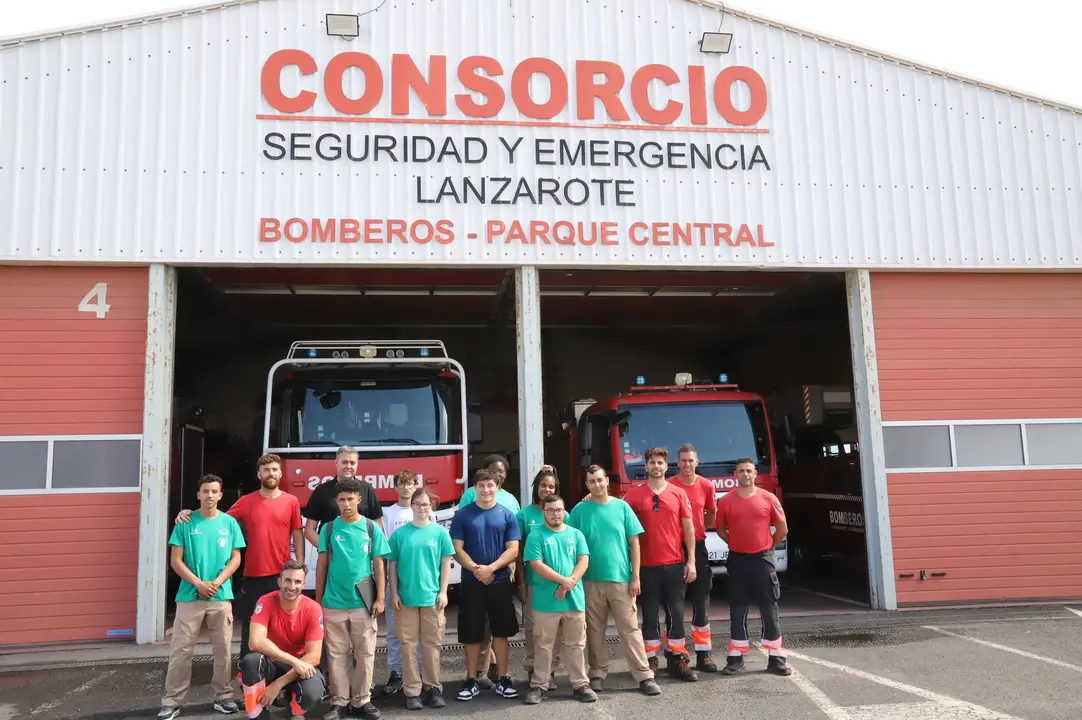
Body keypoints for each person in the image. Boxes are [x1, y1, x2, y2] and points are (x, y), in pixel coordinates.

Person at [176, 453, 304, 659]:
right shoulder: (246, 501)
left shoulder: (291, 502)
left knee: (283, 623)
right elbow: (217, 520)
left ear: (280, 473)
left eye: (274, 470)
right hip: (254, 575)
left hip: (283, 575)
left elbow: (297, 534)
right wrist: (189, 513)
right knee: (252, 624)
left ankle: (280, 667)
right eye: (266, 470)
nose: (270, 473)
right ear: (258, 474)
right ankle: (247, 671)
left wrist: (300, 566)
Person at [567, 465, 661, 696]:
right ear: (587, 484)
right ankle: (597, 672)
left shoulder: (622, 507)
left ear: (607, 481)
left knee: (630, 629)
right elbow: (570, 544)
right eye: (592, 481)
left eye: (600, 480)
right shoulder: (579, 510)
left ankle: (643, 675)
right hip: (589, 581)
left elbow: (634, 544)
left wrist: (635, 576)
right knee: (594, 631)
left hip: (621, 579)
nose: (597, 485)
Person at [159, 474, 246, 720]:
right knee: (181, 650)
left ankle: (223, 697)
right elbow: (175, 560)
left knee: (223, 650)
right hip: (189, 596)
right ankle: (172, 701)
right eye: (205, 491)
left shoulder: (229, 523)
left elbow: (236, 558)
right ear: (198, 495)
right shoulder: (185, 522)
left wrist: (216, 583)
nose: (209, 495)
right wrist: (198, 583)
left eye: (214, 491)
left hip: (220, 595)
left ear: (220, 495)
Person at [316, 478, 390, 720]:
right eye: (342, 499)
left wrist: (380, 597)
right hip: (333, 603)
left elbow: (379, 564)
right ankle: (338, 702)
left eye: (351, 499)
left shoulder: (371, 528)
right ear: (335, 502)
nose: (346, 504)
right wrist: (318, 601)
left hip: (363, 603)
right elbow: (322, 564)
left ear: (359, 499)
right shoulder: (327, 529)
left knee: (365, 654)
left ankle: (362, 701)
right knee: (336, 656)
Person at [623, 447, 698, 682]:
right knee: (650, 613)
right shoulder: (633, 496)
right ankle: (650, 660)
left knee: (676, 612)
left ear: (667, 467)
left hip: (674, 563)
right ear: (645, 467)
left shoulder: (678, 493)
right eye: (652, 463)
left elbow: (688, 529)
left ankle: (678, 659)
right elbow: (618, 518)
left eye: (660, 463)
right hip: (645, 566)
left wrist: (692, 561)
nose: (656, 466)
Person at [449, 468, 521, 701]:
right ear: (475, 488)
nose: (486, 489)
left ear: (497, 488)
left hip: (499, 582)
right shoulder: (463, 515)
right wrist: (477, 570)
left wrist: (491, 568)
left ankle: (503, 677)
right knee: (472, 634)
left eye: (490, 485)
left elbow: (513, 549)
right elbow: (457, 549)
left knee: (501, 633)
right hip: (472, 583)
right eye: (481, 485)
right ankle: (471, 679)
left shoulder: (507, 515)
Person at [716, 457, 791, 677]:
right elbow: (721, 530)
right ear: (735, 475)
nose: (745, 474)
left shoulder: (768, 498)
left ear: (755, 473)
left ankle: (776, 658)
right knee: (738, 608)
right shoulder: (726, 501)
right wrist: (737, 544)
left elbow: (782, 528)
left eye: (749, 470)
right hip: (738, 560)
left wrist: (767, 545)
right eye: (741, 471)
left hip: (762, 559)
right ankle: (736, 658)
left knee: (769, 607)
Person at [522, 495, 597, 705]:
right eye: (550, 510)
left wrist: (570, 582)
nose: (555, 514)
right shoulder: (536, 536)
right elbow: (536, 564)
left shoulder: (576, 534)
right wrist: (564, 581)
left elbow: (584, 559)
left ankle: (580, 684)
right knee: (544, 646)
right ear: (544, 512)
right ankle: (539, 685)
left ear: (564, 511)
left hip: (574, 600)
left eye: (559, 510)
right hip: (546, 601)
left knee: (576, 644)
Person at [389, 487, 455, 710]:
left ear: (431, 507)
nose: (421, 508)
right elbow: (393, 564)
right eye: (417, 504)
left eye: (425, 504)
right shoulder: (400, 534)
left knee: (432, 646)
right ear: (412, 507)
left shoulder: (439, 533)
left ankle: (433, 688)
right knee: (408, 646)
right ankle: (412, 691)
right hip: (406, 599)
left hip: (432, 598)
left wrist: (444, 591)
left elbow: (446, 563)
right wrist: (394, 592)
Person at [241, 561, 326, 720]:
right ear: (279, 581)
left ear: (304, 584)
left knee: (313, 691)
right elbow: (255, 642)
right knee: (251, 662)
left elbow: (314, 656)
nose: (292, 586)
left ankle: (294, 710)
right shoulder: (265, 602)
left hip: (299, 666)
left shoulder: (313, 608)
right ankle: (257, 714)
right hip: (273, 663)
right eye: (287, 580)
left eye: (297, 581)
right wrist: (294, 661)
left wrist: (278, 684)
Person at [664, 443, 719, 672]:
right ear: (678, 463)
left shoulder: (706, 485)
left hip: (697, 546)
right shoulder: (669, 485)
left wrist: (696, 534)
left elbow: (711, 513)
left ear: (697, 462)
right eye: (683, 461)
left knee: (701, 600)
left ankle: (704, 654)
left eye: (691, 460)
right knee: (673, 603)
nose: (687, 464)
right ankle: (674, 654)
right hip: (674, 548)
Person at [515, 467, 563, 688]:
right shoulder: (524, 515)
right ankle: (533, 669)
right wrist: (521, 582)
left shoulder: (562, 513)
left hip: (556, 583)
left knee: (556, 629)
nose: (547, 489)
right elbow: (518, 551)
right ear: (537, 487)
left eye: (551, 486)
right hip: (534, 582)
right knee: (534, 629)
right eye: (543, 485)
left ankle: (551, 671)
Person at [380, 469, 424, 697]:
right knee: (395, 631)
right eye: (402, 484)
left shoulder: (424, 511)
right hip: (395, 582)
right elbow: (386, 551)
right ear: (395, 487)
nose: (406, 488)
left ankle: (418, 673)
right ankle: (397, 672)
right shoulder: (388, 514)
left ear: (416, 486)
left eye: (410, 483)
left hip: (420, 582)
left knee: (419, 632)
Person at [303, 446, 384, 552]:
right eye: (344, 462)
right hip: (331, 560)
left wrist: (366, 551)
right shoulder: (321, 490)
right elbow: (309, 530)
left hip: (361, 557)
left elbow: (378, 527)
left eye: (352, 463)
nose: (348, 466)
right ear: (336, 463)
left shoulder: (367, 489)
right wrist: (328, 550)